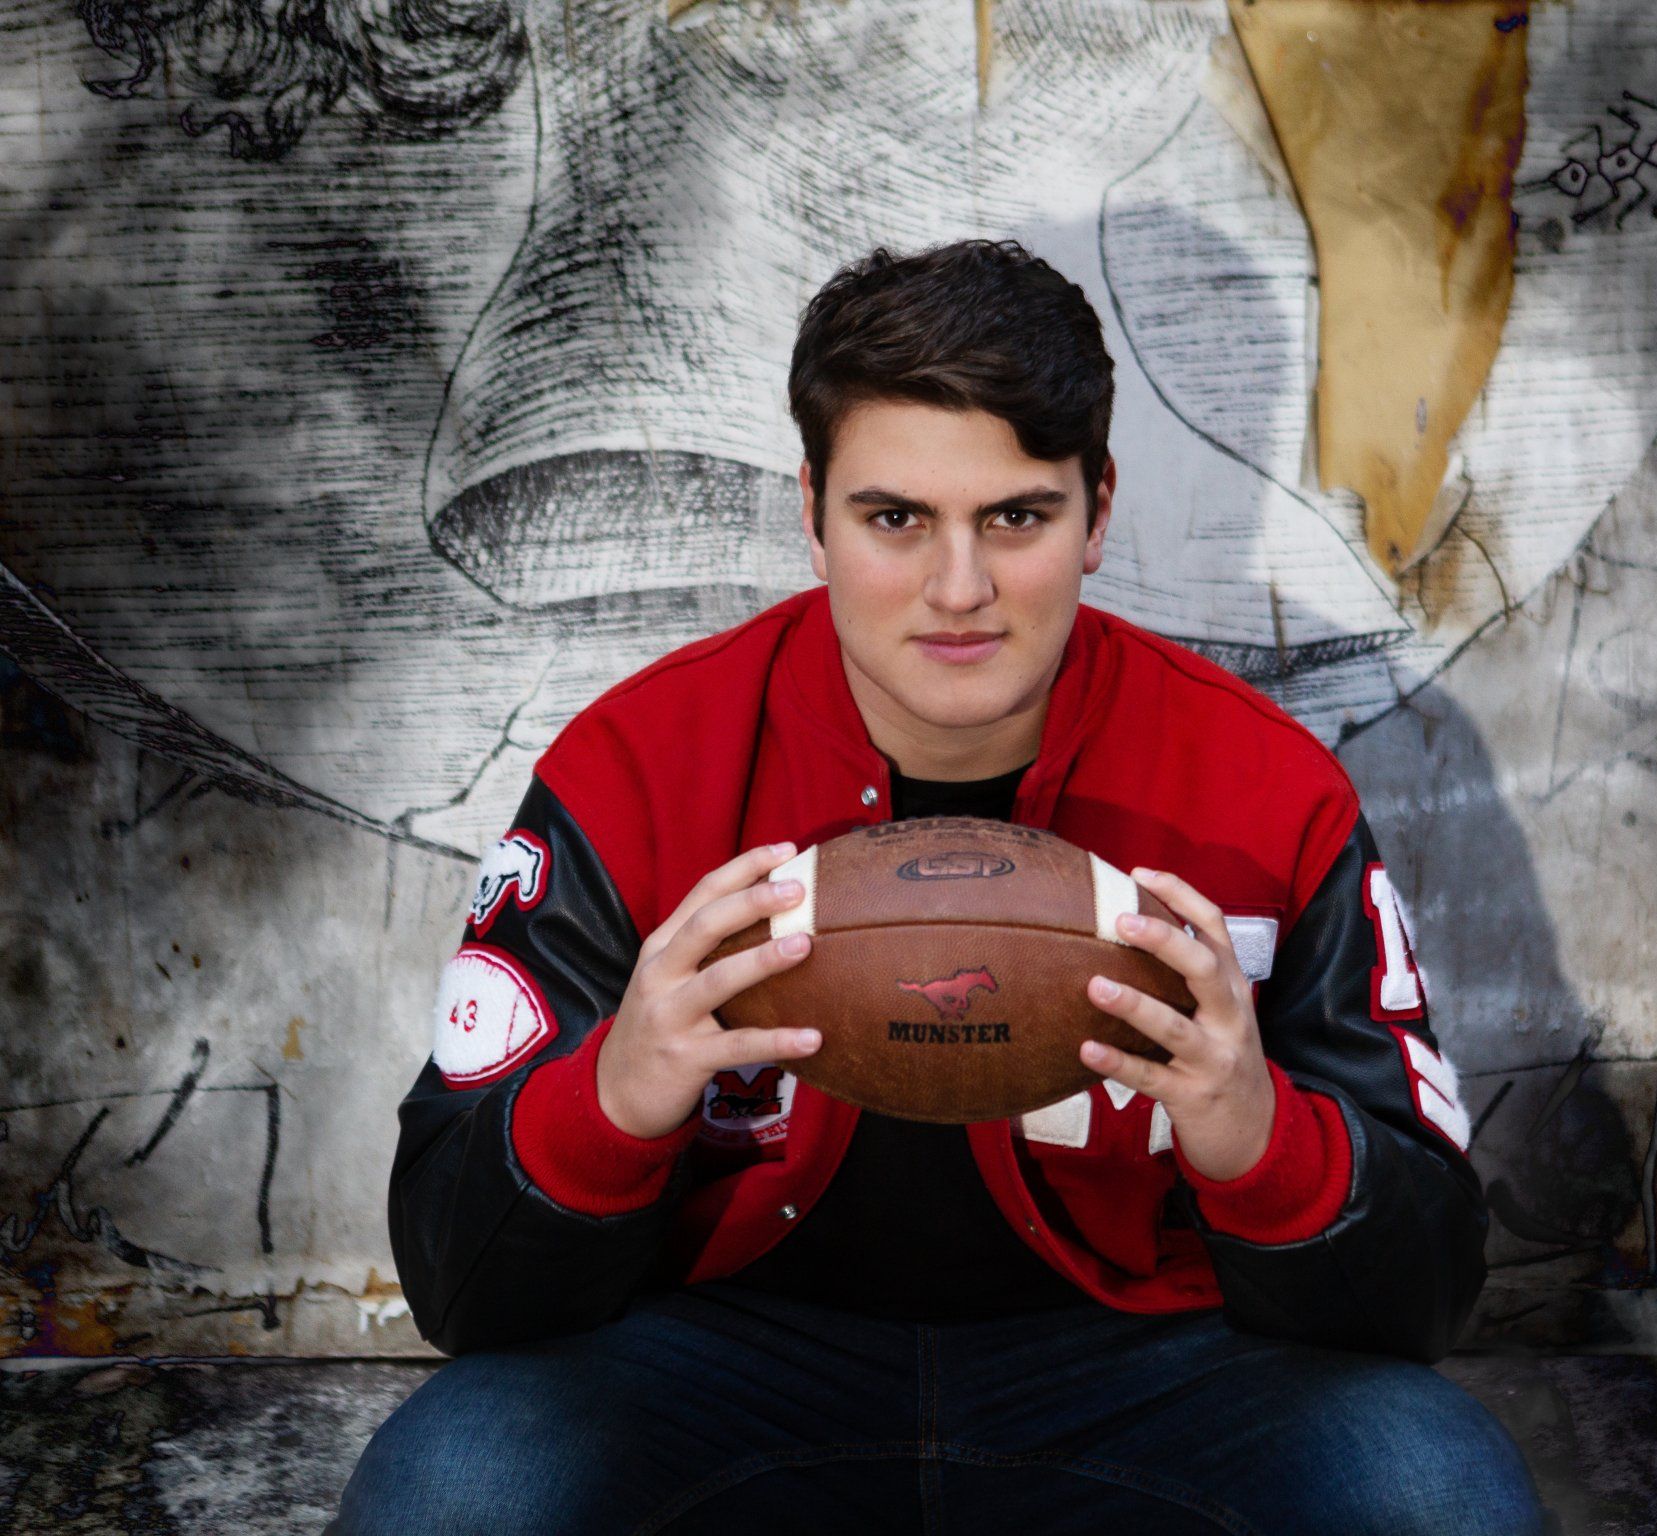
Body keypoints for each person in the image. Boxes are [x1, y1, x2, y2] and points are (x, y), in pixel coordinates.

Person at [329, 239, 1551, 1535]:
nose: (959, 590)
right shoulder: (638, 770)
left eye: (1016, 517)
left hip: (1143, 1368)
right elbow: (458, 1289)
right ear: (813, 513)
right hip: (719, 1360)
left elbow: (1430, 1295)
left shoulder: (1261, 791)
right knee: (456, 1487)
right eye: (895, 518)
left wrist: (1260, 1134)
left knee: (1432, 1488)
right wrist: (614, 1098)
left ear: (1098, 511)